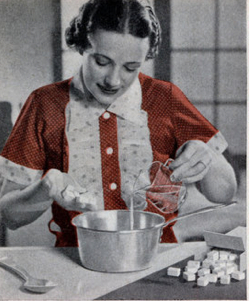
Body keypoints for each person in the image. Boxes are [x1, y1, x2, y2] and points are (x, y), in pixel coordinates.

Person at [0, 0, 236, 247]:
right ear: (82, 45)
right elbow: (9, 216)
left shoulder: (165, 99)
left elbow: (225, 193)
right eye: (101, 62)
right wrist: (44, 188)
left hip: (157, 258)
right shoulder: (45, 104)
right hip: (76, 260)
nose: (113, 80)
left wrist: (207, 158)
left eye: (130, 68)